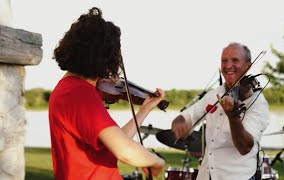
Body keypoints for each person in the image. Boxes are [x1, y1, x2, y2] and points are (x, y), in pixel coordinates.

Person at [49, 7, 165, 180]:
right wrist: (156, 160)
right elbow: (124, 151)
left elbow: (116, 142)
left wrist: (144, 110)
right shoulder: (79, 94)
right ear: (103, 57)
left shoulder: (70, 89)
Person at [171, 42, 270, 180]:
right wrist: (180, 121)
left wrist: (233, 117)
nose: (228, 66)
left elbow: (245, 147)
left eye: (235, 60)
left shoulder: (258, 103)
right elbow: (191, 114)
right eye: (224, 61)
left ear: (249, 66)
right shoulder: (214, 94)